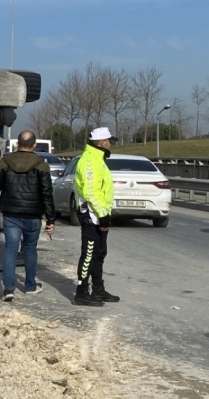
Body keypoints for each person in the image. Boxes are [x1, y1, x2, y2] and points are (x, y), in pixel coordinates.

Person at [0, 130, 57, 302]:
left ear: (17, 144)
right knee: (30, 249)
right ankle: (30, 286)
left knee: (10, 248)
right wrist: (51, 219)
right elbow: (47, 194)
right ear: (34, 145)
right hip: (33, 215)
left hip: (11, 214)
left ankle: (8, 289)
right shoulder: (41, 165)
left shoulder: (4, 162)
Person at [73, 126, 120, 306]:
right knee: (89, 254)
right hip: (91, 214)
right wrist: (102, 215)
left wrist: (104, 214)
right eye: (109, 141)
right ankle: (81, 292)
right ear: (101, 142)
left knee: (99, 252)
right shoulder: (90, 161)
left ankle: (98, 289)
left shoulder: (98, 159)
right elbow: (91, 192)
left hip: (98, 213)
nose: (111, 144)